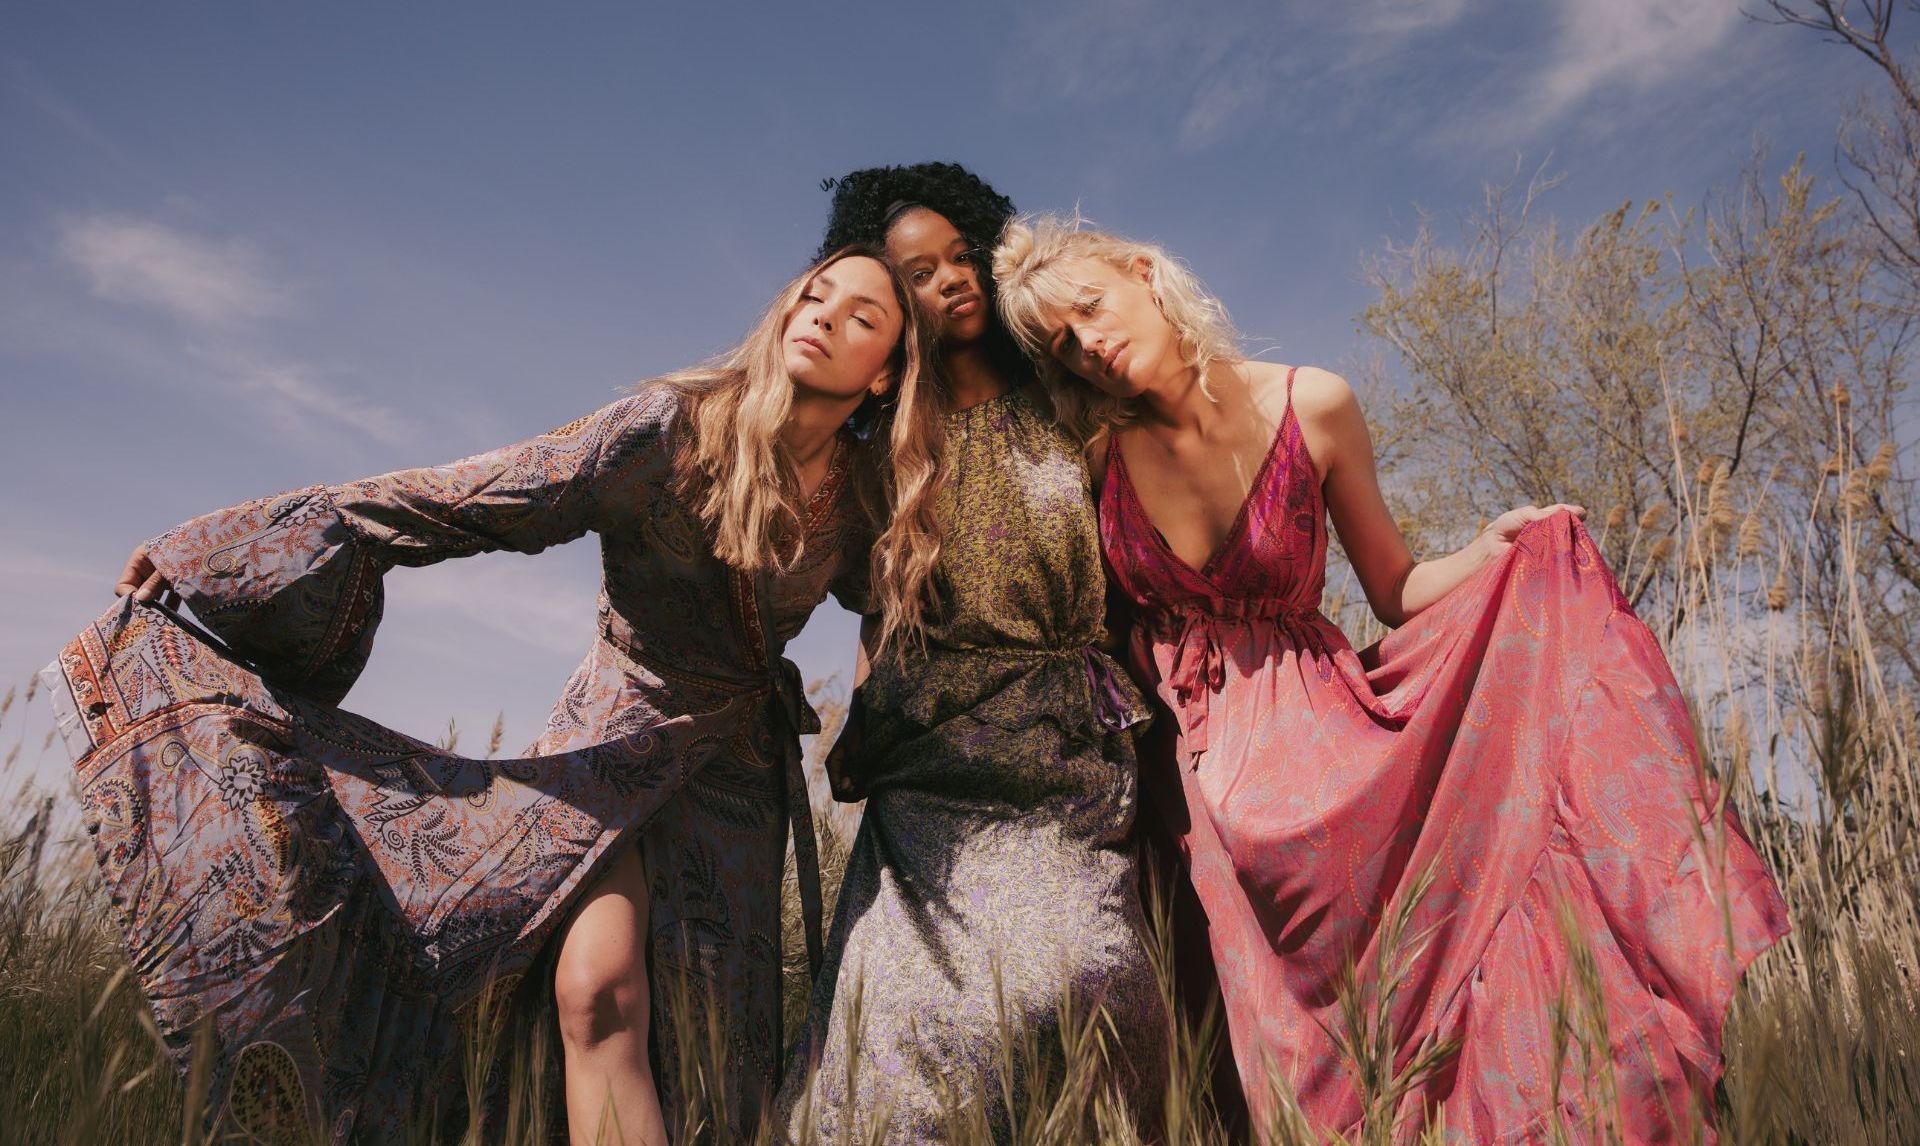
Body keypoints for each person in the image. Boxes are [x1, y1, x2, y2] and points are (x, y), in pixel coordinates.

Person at [49, 247, 941, 1144]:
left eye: (863, 317)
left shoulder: (867, 498)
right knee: (594, 994)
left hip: (737, 781)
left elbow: (908, 609)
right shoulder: (668, 430)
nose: (822, 316)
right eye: (815, 294)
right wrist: (221, 548)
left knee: (713, 1048)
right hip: (611, 750)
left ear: (885, 376)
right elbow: (470, 496)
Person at [993, 216, 1791, 1141]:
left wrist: (1495, 549)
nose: (1089, 345)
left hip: (1336, 764)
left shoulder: (1312, 404)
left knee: (1414, 994)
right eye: (1063, 343)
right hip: (1201, 805)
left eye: (1091, 308)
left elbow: (1396, 589)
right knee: (1267, 1058)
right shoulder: (1093, 465)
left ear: (1144, 273)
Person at [774, 164, 1167, 1142]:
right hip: (925, 785)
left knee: (1085, 999)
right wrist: (855, 733)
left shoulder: (1073, 411)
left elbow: (1128, 588)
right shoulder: (878, 452)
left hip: (1061, 764)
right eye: (916, 271)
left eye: (961, 255)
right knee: (913, 1047)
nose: (947, 279)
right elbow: (875, 614)